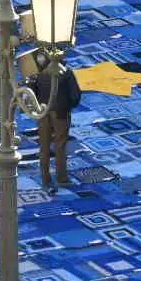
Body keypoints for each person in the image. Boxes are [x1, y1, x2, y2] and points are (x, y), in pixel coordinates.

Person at [32, 61, 80, 189]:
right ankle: (62, 178)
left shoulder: (39, 72)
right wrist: (68, 106)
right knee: (60, 146)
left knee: (44, 146)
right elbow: (75, 96)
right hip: (61, 113)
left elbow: (32, 92)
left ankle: (45, 178)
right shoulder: (66, 72)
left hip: (43, 112)